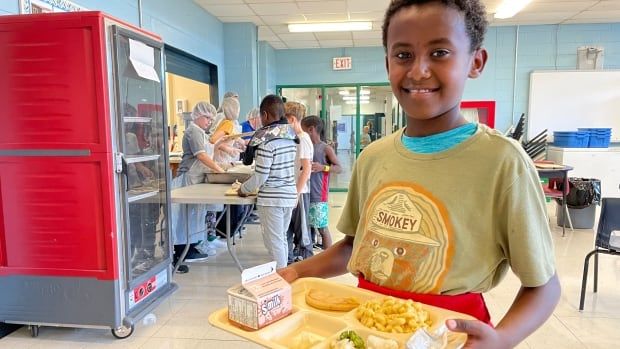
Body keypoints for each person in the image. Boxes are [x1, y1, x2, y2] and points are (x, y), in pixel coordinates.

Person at [278, 1, 560, 347]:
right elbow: (354, 248)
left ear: (476, 62)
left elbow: (544, 286)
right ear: (387, 64)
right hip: (368, 326)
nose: (418, 70)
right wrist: (293, 272)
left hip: (451, 336)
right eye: (403, 55)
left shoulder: (504, 162)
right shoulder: (373, 157)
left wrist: (501, 339)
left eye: (440, 52)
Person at [238, 95, 298, 269]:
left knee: (275, 242)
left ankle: (281, 278)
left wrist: (243, 188)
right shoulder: (290, 139)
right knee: (281, 239)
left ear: (264, 115)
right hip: (288, 196)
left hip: (272, 199)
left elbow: (260, 176)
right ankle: (284, 273)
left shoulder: (266, 143)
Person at [171, 102, 225, 274]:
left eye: (211, 119)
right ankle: (180, 252)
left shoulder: (200, 132)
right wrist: (219, 169)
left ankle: (191, 247)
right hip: (187, 179)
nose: (209, 122)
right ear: (198, 116)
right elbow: (201, 155)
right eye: (207, 118)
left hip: (196, 180)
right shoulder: (193, 130)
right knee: (185, 217)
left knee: (195, 215)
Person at [301, 115, 342, 250]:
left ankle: (327, 255)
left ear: (311, 130)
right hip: (305, 192)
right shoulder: (304, 146)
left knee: (322, 228)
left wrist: (323, 167)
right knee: (308, 226)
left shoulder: (325, 148)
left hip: (319, 194)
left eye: (303, 130)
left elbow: (339, 168)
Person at [284, 101, 314, 263]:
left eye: (284, 120)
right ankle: (287, 262)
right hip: (290, 191)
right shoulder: (293, 138)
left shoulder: (303, 139)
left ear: (292, 119)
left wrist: (296, 193)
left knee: (302, 233)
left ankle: (308, 263)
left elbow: (306, 169)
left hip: (299, 192)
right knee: (286, 230)